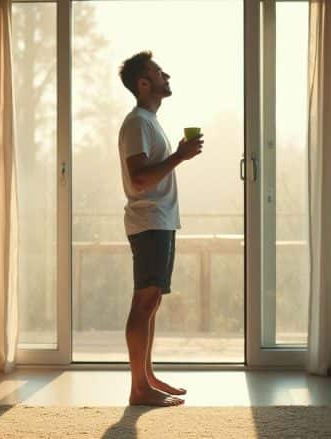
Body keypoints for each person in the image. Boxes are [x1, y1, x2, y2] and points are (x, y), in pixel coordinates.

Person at [117, 51, 204, 407]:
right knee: (144, 301)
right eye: (158, 72)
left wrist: (179, 155)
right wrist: (179, 156)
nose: (165, 76)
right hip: (150, 220)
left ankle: (147, 377)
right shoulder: (137, 123)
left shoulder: (149, 121)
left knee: (150, 302)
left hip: (159, 221)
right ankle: (138, 388)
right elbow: (139, 179)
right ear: (143, 84)